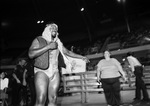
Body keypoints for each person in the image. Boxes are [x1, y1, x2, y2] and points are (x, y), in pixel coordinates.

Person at [28, 22, 89, 106]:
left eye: (56, 28)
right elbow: (31, 54)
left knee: (53, 98)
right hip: (42, 71)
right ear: (46, 29)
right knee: (41, 98)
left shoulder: (58, 43)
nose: (54, 29)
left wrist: (81, 57)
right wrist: (48, 47)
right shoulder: (39, 39)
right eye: (52, 28)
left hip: (54, 71)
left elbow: (67, 52)